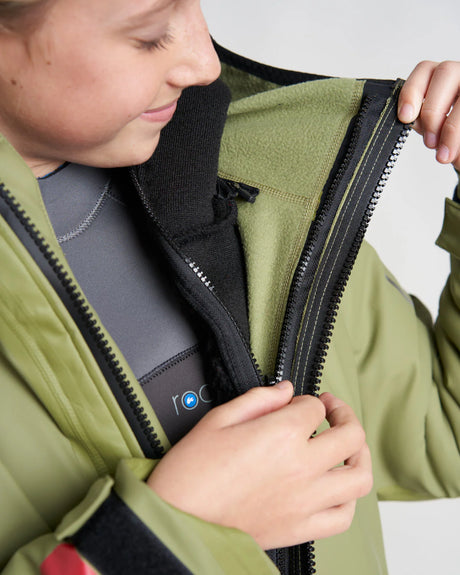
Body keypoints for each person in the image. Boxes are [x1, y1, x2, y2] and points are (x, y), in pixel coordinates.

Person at [0, 1, 458, 574]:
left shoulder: (251, 188)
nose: (206, 62)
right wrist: (176, 534)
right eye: (149, 35)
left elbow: (441, 431)